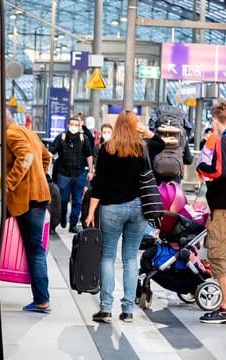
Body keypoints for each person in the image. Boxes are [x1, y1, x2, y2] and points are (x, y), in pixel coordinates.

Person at [86, 110, 148, 324]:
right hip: (139, 209)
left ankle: (105, 309)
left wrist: (91, 211)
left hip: (112, 208)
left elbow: (99, 183)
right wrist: (146, 132)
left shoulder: (107, 149)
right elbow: (151, 173)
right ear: (134, 126)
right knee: (131, 258)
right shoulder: (142, 148)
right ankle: (128, 310)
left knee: (108, 256)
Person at [5, 110, 52, 314]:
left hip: (25, 199)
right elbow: (46, 157)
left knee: (33, 249)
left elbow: (25, 156)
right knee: (36, 248)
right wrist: (38, 177)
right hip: (39, 195)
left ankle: (42, 300)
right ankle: (42, 299)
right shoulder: (29, 133)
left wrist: (9, 183)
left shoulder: (11, 133)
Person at [196, 100, 226, 324]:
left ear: (216, 120)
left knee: (218, 255)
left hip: (225, 207)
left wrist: (202, 167)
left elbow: (219, 171)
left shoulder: (223, 140)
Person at [49, 116, 94, 233]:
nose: (73, 126)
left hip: (79, 174)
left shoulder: (84, 139)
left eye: (76, 124)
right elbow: (51, 152)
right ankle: (62, 217)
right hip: (64, 174)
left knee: (77, 200)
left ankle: (73, 224)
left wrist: (90, 170)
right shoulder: (61, 138)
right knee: (63, 200)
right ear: (68, 125)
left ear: (79, 126)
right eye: (72, 124)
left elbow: (89, 155)